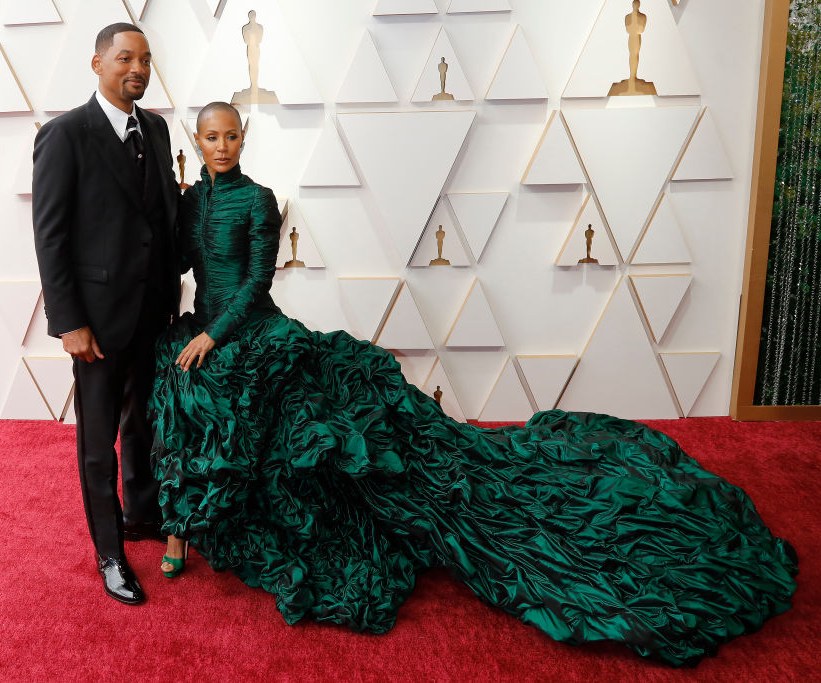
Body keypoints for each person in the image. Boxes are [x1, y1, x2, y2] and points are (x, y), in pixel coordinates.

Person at [149, 102, 798, 665]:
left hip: (253, 331)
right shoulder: (192, 198)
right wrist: (173, 208)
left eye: (233, 135)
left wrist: (214, 336)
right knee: (179, 400)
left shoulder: (259, 198)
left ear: (243, 138)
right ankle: (181, 531)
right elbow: (182, 261)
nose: (225, 145)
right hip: (204, 329)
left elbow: (258, 280)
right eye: (213, 136)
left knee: (289, 420)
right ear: (199, 140)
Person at [32, 23, 180, 605]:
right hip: (93, 319)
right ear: (97, 64)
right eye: (124, 58)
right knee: (99, 441)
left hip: (152, 312)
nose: (137, 68)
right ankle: (110, 550)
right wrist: (69, 321)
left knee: (144, 422)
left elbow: (159, 217)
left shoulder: (159, 129)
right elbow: (51, 236)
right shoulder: (65, 134)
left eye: (145, 59)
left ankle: (144, 515)